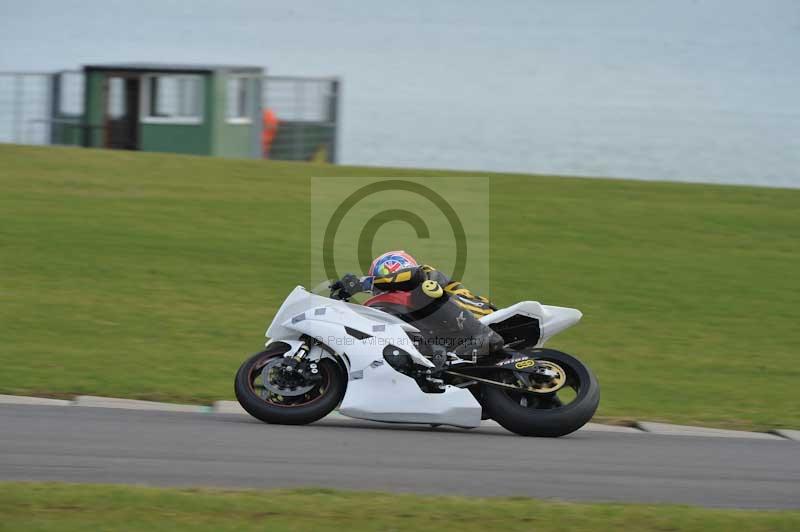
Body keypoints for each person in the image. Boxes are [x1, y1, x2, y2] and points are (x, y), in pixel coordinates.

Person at [330, 250, 504, 359]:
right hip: (452, 334)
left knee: (424, 292)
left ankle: (484, 336)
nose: (382, 289)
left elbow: (412, 278)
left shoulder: (424, 275)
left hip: (479, 314)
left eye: (384, 281)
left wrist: (363, 283)